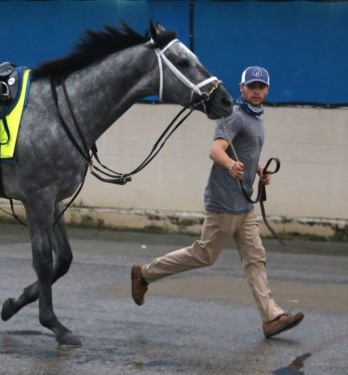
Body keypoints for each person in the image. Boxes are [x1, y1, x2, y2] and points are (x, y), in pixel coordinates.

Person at [130, 66, 304, 338]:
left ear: (267, 90)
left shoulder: (256, 118)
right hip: (223, 202)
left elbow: (244, 151)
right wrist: (230, 164)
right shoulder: (233, 115)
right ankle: (144, 274)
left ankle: (272, 317)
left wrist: (258, 169)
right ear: (242, 88)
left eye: (261, 87)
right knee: (204, 255)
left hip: (244, 205)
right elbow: (216, 150)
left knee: (255, 258)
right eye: (252, 87)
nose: (257, 92)